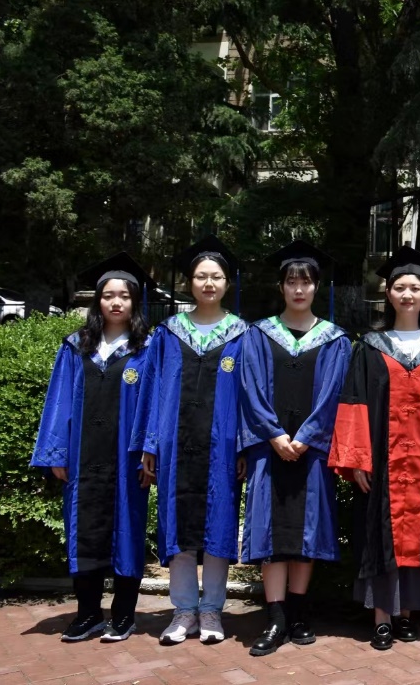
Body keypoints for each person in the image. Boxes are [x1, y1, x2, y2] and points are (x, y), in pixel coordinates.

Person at [329, 246, 420, 650]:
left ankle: (407, 615)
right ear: (388, 293)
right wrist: (358, 460)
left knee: (418, 536)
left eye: (415, 288)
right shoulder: (369, 347)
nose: (407, 294)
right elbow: (354, 403)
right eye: (400, 287)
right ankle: (382, 617)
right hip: (382, 465)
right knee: (378, 535)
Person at [32, 253, 154, 642]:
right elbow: (59, 403)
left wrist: (150, 450)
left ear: (135, 302)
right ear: (97, 301)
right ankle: (88, 614)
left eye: (124, 296)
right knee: (83, 531)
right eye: (108, 295)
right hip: (83, 458)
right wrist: (57, 454)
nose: (116, 302)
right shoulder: (75, 347)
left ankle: (124, 615)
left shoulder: (148, 348)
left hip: (127, 460)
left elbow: (156, 405)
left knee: (127, 531)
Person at [239, 240, 351, 656]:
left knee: (306, 534)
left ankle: (299, 614)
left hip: (311, 451)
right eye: (291, 282)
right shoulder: (258, 335)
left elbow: (334, 395)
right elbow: (249, 389)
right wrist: (274, 434)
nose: (299, 289)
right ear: (281, 287)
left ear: (317, 287)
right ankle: (275, 619)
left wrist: (306, 436)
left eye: (305, 282)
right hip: (269, 451)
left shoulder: (335, 339)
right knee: (272, 534)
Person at [136, 236, 249, 646]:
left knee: (219, 526)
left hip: (222, 447)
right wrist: (150, 443)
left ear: (227, 283)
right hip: (174, 444)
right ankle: (183, 610)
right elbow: (151, 389)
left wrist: (243, 446)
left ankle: (212, 610)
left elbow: (250, 396)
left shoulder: (242, 334)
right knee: (177, 526)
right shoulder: (168, 333)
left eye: (216, 276)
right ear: (189, 282)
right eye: (201, 276)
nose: (208, 283)